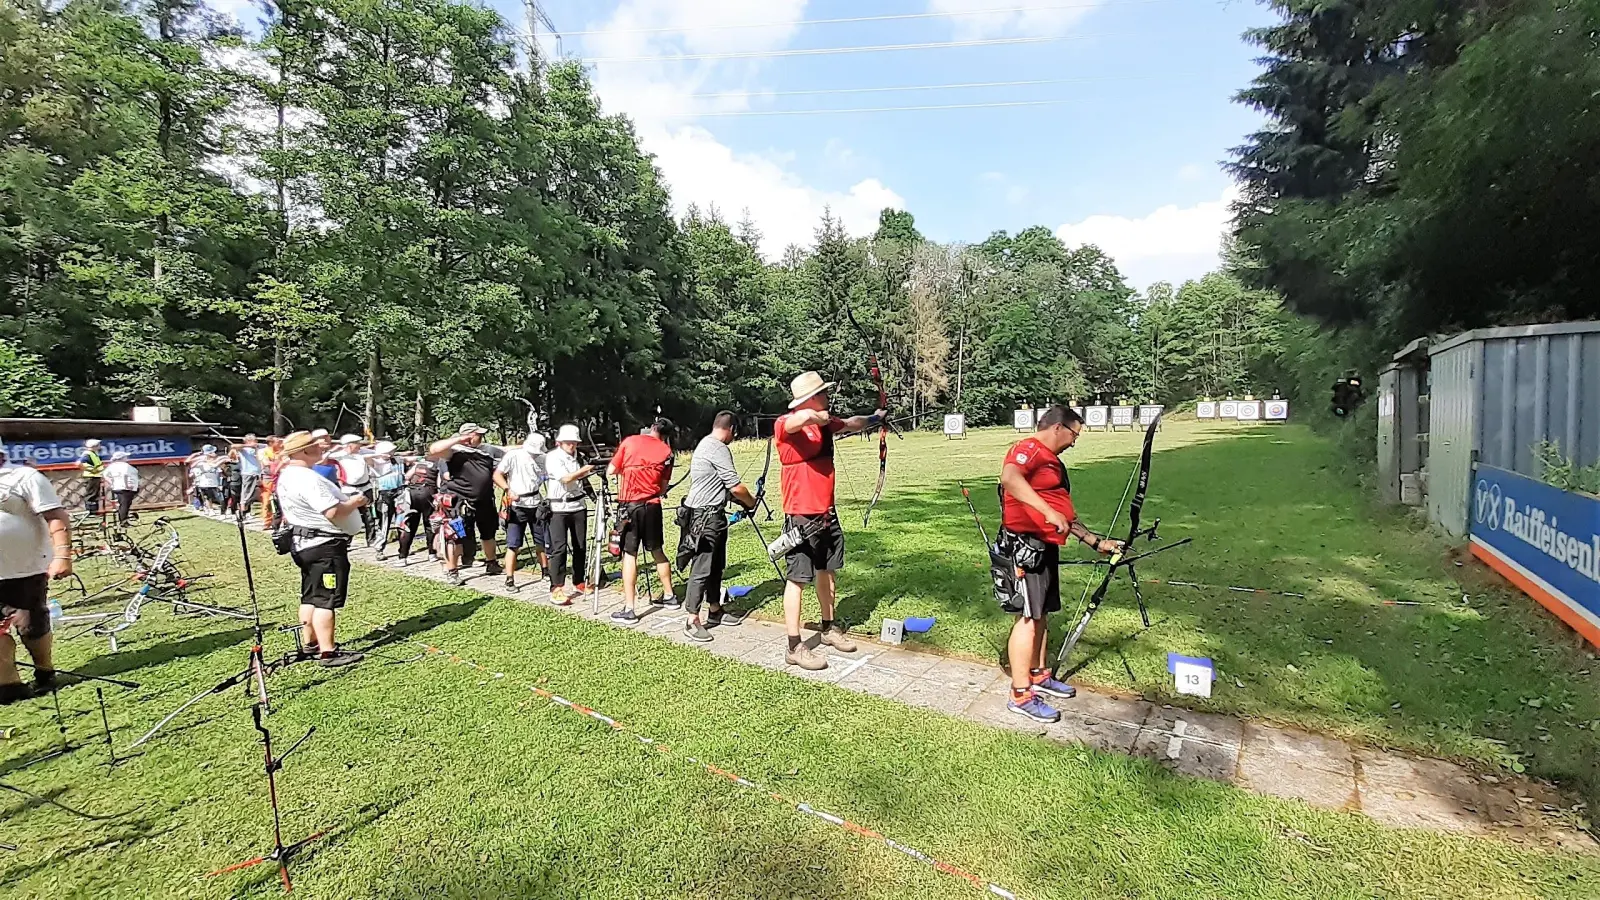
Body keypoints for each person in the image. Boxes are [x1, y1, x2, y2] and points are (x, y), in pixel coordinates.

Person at [998, 405, 1124, 723]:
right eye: (1074, 434)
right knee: (1027, 617)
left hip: (1045, 546)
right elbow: (1010, 478)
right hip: (1024, 546)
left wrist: (1095, 541)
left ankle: (1039, 675)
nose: (1074, 441)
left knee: (1041, 614)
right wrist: (1046, 511)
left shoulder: (1053, 463)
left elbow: (1064, 514)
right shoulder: (1028, 448)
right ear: (1058, 428)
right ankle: (1020, 693)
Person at [772, 370, 883, 670]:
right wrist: (814, 416)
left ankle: (828, 627)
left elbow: (849, 424)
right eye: (822, 394)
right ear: (810, 399)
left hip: (826, 514)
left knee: (828, 570)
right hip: (801, 516)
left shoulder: (824, 424)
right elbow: (793, 421)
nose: (827, 398)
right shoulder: (786, 424)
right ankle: (794, 647)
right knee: (797, 579)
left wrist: (875, 418)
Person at [274, 431, 366, 667]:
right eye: (315, 445)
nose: (321, 447)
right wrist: (356, 501)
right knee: (326, 599)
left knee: (310, 596)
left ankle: (310, 643)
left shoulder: (287, 475)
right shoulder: (307, 478)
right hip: (324, 546)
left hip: (305, 545)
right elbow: (333, 512)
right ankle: (328, 652)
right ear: (304, 451)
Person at [676, 412, 758, 642]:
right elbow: (735, 486)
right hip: (705, 519)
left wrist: (739, 500)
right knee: (702, 568)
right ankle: (692, 618)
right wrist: (751, 503)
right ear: (730, 428)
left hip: (711, 516)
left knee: (715, 566)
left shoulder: (706, 444)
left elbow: (718, 485)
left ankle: (715, 609)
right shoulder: (717, 448)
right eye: (735, 433)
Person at [0, 448, 72, 703]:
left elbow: (55, 515)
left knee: (31, 624)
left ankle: (44, 672)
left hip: (23, 568)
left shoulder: (23, 477)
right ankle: (9, 683)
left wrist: (62, 555)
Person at [607, 418, 678, 624]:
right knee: (657, 550)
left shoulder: (630, 442)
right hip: (653, 505)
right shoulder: (667, 452)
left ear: (651, 428)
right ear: (666, 435)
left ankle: (630, 608)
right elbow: (663, 488)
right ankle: (669, 596)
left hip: (631, 506)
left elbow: (611, 470)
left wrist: (628, 470)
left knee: (630, 554)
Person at [428, 423, 504, 586]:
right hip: (460, 503)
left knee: (488, 533)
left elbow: (508, 450)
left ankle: (491, 563)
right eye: (479, 434)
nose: (482, 436)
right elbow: (434, 449)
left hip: (484, 501)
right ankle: (452, 571)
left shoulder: (485, 450)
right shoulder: (454, 451)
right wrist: (459, 439)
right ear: (469, 436)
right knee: (455, 537)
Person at [543, 425, 596, 605]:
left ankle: (578, 581)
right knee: (560, 548)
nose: (572, 445)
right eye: (568, 442)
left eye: (574, 442)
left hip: (578, 506)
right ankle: (556, 587)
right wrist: (586, 469)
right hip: (558, 508)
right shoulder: (552, 457)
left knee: (580, 545)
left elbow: (584, 480)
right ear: (559, 442)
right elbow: (566, 478)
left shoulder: (579, 457)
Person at [494, 432, 550, 592]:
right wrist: (507, 489)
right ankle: (509, 579)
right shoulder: (514, 456)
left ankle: (545, 571)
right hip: (517, 505)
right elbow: (497, 474)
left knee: (541, 541)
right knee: (513, 544)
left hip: (536, 503)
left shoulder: (543, 458)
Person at [328, 434, 376, 546]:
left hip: (365, 488)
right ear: (349, 445)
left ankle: (371, 539)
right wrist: (335, 449)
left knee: (369, 516)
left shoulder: (362, 452)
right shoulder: (339, 455)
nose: (359, 445)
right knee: (348, 515)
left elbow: (377, 453)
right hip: (349, 489)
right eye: (356, 443)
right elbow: (324, 458)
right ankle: (347, 540)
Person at [395, 454, 439, 567]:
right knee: (429, 524)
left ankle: (402, 557)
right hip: (428, 493)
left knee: (409, 525)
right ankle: (432, 554)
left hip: (412, 493)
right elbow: (439, 482)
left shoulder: (420, 463)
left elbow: (407, 476)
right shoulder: (438, 464)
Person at [369, 442, 404, 559]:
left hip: (399, 492)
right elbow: (365, 458)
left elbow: (410, 458)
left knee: (402, 520)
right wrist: (380, 454)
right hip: (384, 494)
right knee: (384, 522)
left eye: (392, 451)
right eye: (389, 452)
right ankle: (379, 548)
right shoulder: (375, 462)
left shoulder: (397, 459)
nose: (391, 454)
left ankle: (403, 548)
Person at [103, 451, 140, 528]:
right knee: (125, 505)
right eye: (125, 457)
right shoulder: (126, 466)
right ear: (122, 458)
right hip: (126, 487)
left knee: (122, 504)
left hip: (117, 487)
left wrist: (111, 482)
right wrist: (129, 486)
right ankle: (123, 522)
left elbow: (105, 474)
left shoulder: (111, 466)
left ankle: (123, 519)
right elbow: (128, 475)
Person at [236, 434, 264, 520]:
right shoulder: (244, 449)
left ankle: (249, 511)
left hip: (259, 474)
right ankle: (242, 513)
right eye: (254, 440)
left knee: (257, 494)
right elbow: (234, 446)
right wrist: (249, 445)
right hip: (248, 473)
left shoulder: (259, 448)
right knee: (246, 494)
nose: (256, 442)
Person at [190, 445, 225, 514]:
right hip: (204, 482)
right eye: (212, 452)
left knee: (219, 497)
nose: (214, 454)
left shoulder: (216, 461)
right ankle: (210, 509)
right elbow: (191, 465)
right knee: (207, 497)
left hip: (215, 482)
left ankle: (221, 509)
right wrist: (200, 459)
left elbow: (219, 470)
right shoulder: (200, 462)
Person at [78, 439, 105, 515]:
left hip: (95, 476)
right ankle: (91, 511)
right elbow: (80, 463)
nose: (100, 446)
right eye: (99, 445)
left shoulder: (93, 454)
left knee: (95, 494)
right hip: (91, 477)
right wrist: (93, 470)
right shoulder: (88, 454)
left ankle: (94, 511)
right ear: (94, 446)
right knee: (91, 494)